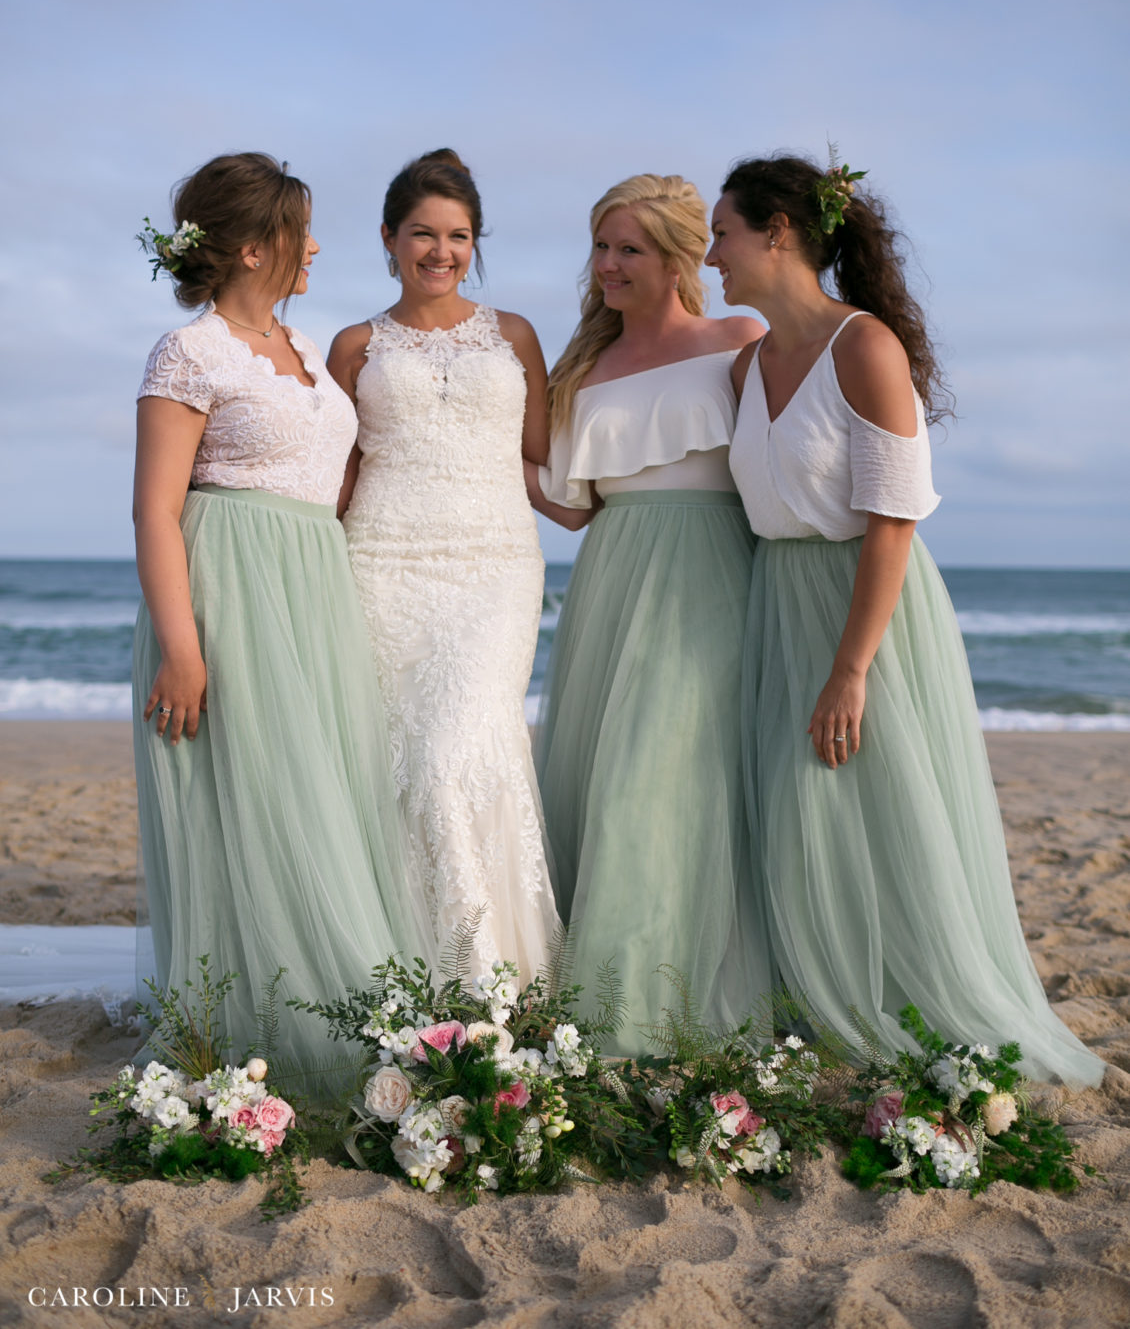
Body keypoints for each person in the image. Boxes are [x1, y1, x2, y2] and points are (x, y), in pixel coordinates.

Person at [713, 152, 1104, 1087]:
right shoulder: (745, 365)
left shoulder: (865, 347)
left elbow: (893, 521)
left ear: (777, 233)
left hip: (864, 607)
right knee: (797, 811)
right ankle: (824, 993)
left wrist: (852, 668)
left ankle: (898, 997)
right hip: (778, 600)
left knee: (877, 804)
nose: (711, 255)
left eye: (723, 234)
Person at [133, 152, 434, 1084]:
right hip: (233, 590)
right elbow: (155, 511)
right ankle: (273, 1021)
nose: (317, 248)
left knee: (320, 791)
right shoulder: (190, 352)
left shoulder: (302, 347)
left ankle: (337, 1002)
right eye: (303, 231)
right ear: (257, 248)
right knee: (261, 799)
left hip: (313, 589)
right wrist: (183, 649)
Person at [530, 174, 772, 1054]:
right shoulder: (582, 369)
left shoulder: (739, 340)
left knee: (670, 778)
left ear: (679, 259)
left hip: (713, 577)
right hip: (614, 578)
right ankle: (610, 1002)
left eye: (629, 248)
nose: (607, 265)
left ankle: (651, 1004)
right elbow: (570, 505)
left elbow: (782, 464)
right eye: (601, 246)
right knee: (614, 779)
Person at [327, 149, 559, 978]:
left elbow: (542, 456)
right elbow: (335, 471)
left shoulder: (515, 335)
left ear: (475, 243)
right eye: (422, 233)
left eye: (458, 236)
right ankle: (411, 975)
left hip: (496, 567)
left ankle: (489, 974)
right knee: (402, 761)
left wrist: (624, 505)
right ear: (388, 237)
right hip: (382, 565)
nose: (441, 251)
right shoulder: (355, 344)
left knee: (457, 748)